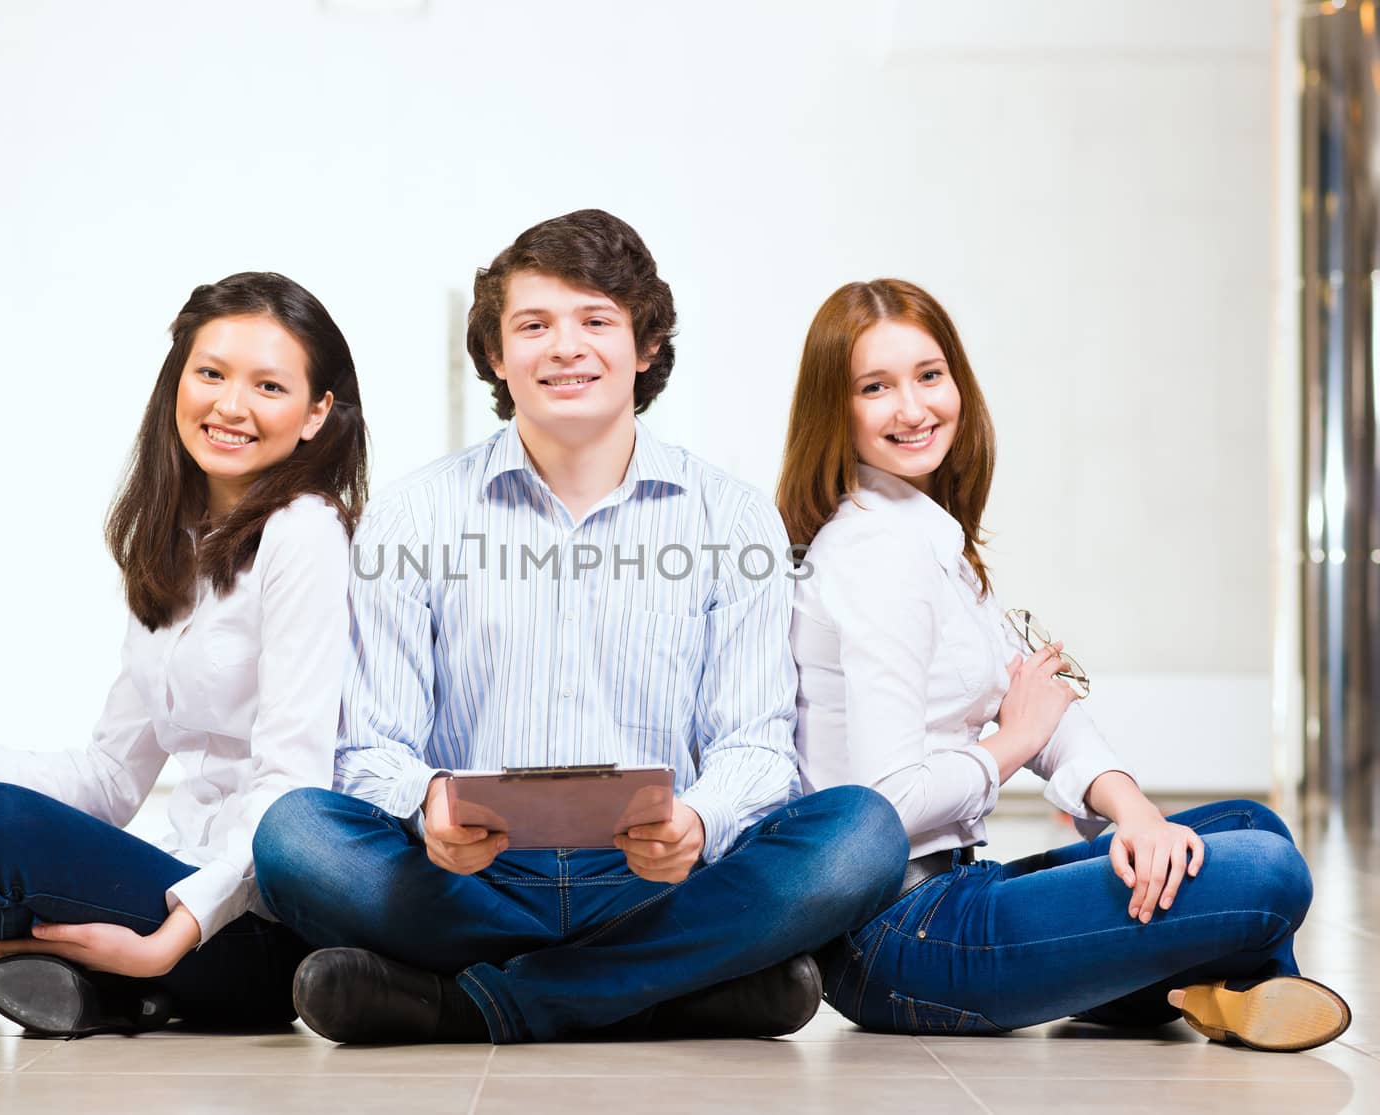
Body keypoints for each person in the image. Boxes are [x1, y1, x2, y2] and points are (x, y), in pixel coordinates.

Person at [252, 209, 908, 1045]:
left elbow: (756, 746)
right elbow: (371, 747)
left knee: (863, 833)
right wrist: (428, 805)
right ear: (496, 353)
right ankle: (669, 984)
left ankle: (485, 1002)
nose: (565, 347)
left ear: (647, 346)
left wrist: (698, 824)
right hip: (470, 883)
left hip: (660, 879)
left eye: (596, 320)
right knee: (295, 835)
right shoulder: (413, 514)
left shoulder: (734, 517)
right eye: (534, 325)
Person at [777, 277, 1350, 1051]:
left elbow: (1053, 714)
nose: (912, 408)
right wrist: (1009, 742)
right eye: (875, 387)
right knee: (1266, 873)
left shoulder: (928, 533)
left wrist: (1135, 812)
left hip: (957, 889)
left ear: (958, 383)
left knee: (1248, 824)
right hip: (897, 940)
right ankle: (1211, 982)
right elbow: (885, 804)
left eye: (929, 375)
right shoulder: (877, 556)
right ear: (835, 409)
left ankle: (1194, 986)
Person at [0, 272, 366, 1036]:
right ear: (176, 384)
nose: (231, 405)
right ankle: (59, 977)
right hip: (167, 876)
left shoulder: (306, 530)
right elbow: (107, 780)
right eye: (211, 373)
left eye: (268, 385)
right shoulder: (172, 543)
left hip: (245, 925)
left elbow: (291, 788)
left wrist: (166, 942)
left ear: (316, 414)